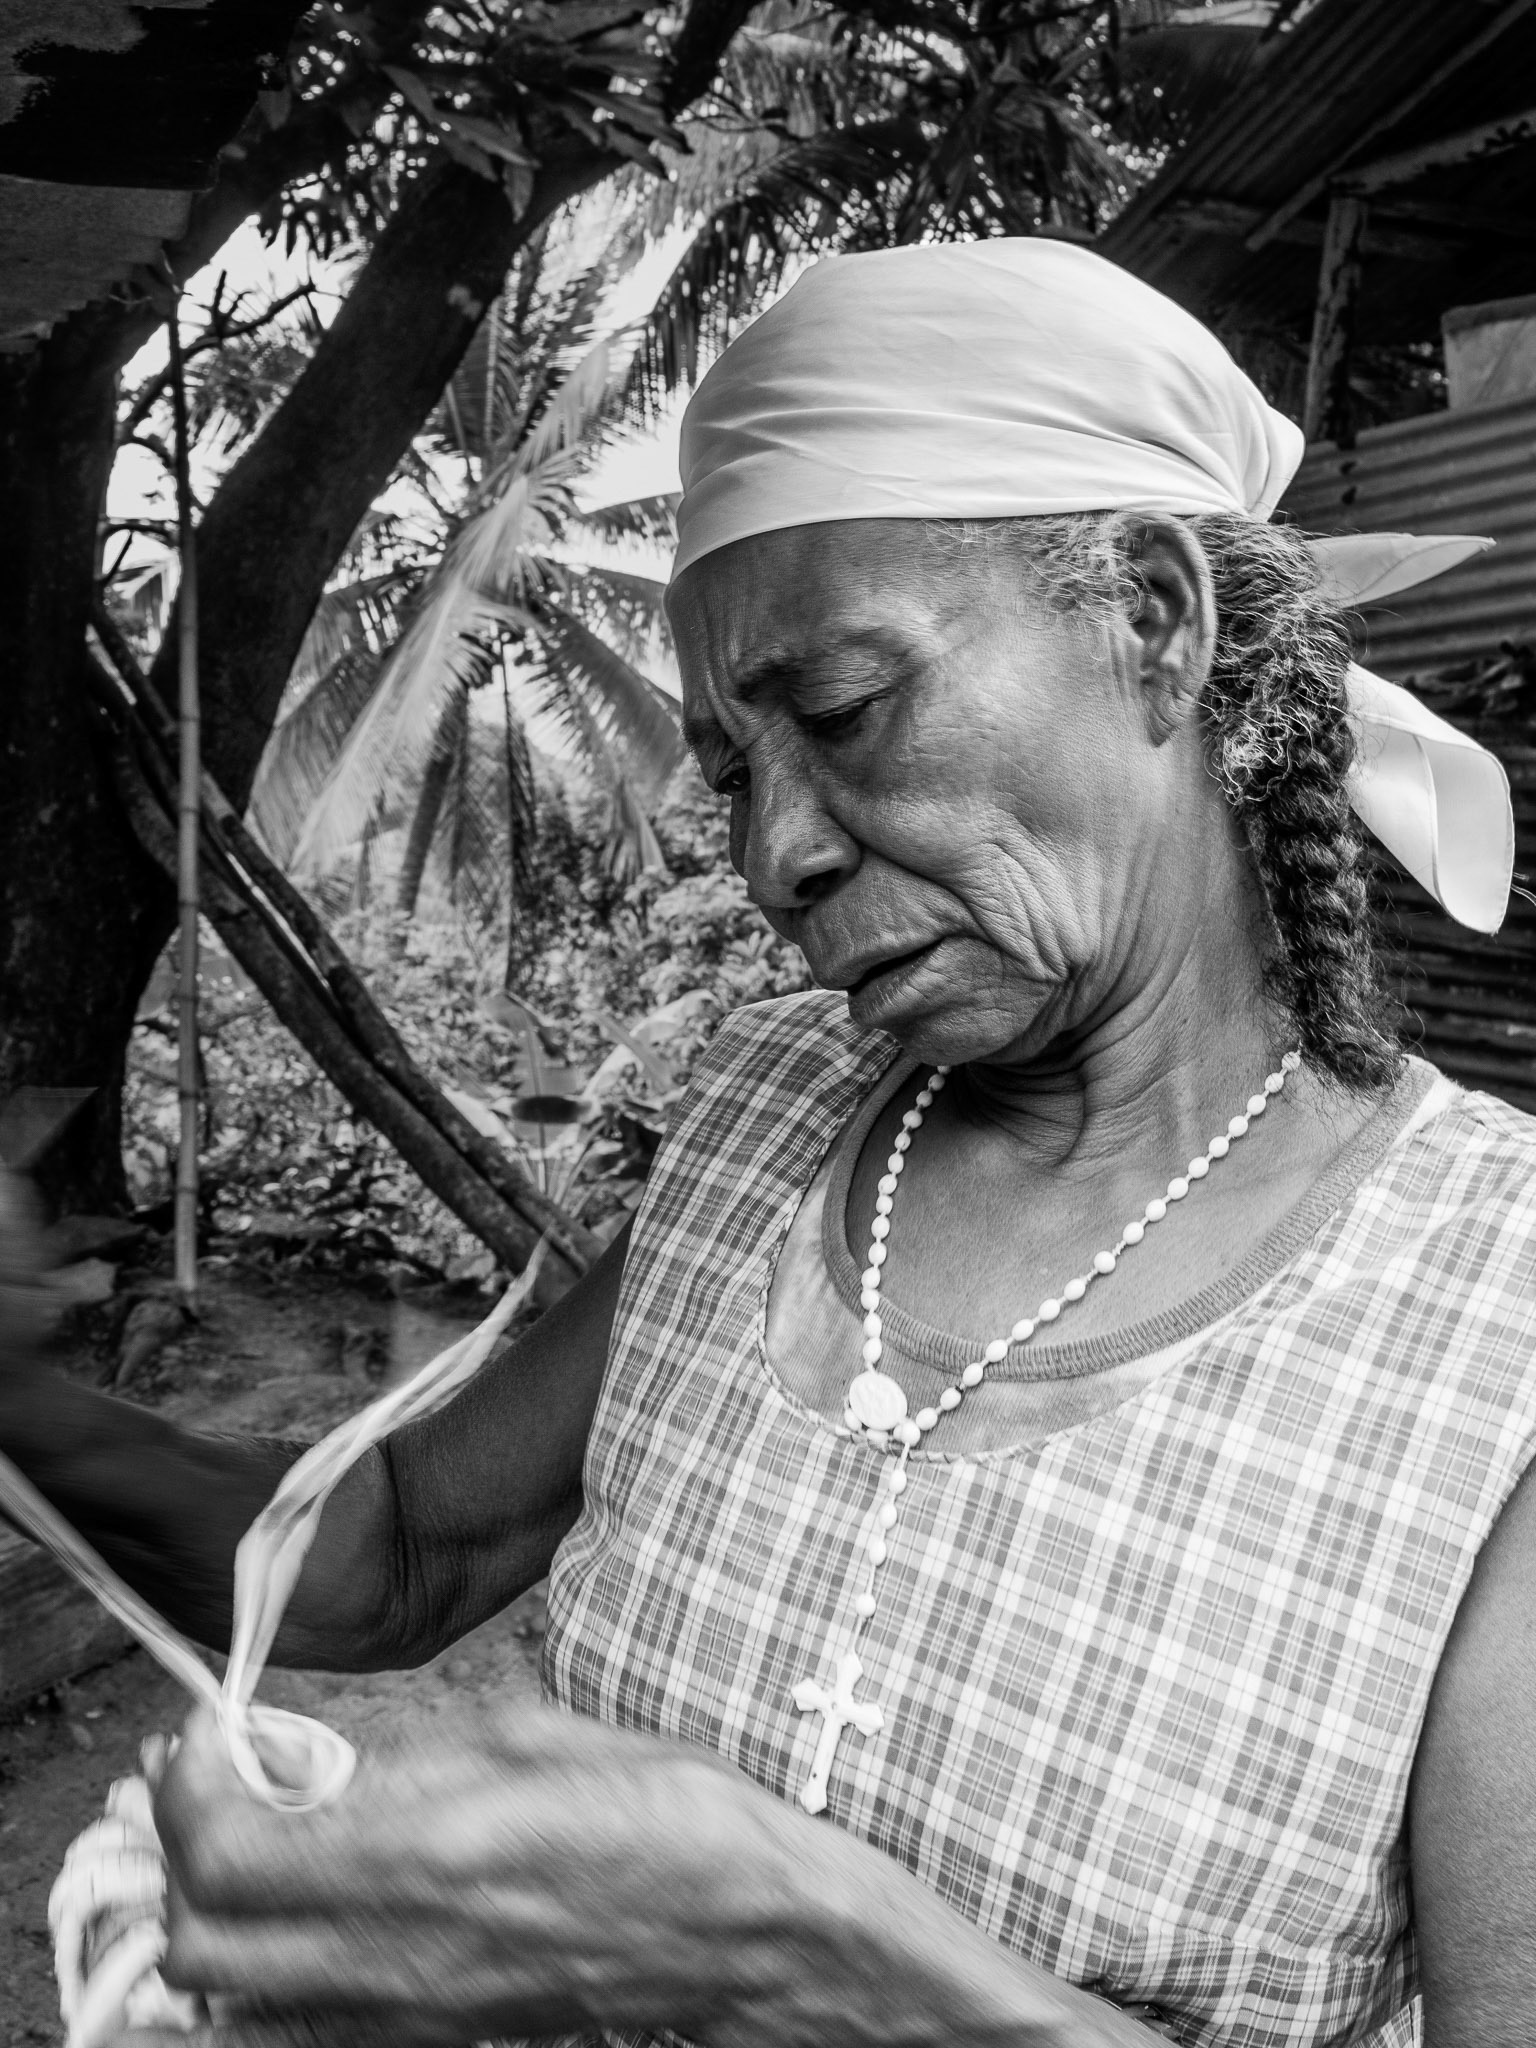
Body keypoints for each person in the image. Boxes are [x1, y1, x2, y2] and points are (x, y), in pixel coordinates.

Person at [4, 239, 1535, 2048]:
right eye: (735, 772)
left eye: (839, 710)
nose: (777, 852)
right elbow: (408, 1546)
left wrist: (810, 1950)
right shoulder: (773, 1119)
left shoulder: (1491, 1324)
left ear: (1155, 619)